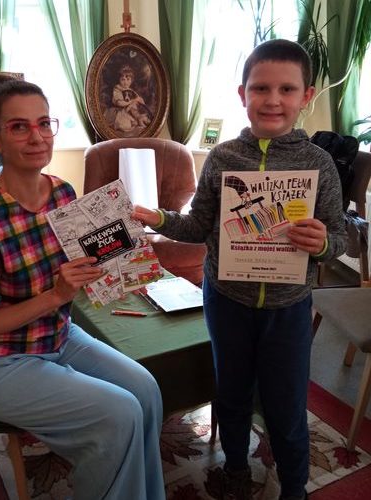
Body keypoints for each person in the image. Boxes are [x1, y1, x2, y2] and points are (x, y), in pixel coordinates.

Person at [132, 39, 347, 500]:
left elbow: (340, 238)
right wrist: (159, 219)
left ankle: (294, 486)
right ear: (242, 94)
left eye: (287, 89)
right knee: (230, 393)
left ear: (307, 96)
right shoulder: (223, 158)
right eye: (260, 88)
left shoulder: (319, 164)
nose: (273, 100)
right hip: (227, 301)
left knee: (286, 405)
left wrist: (324, 243)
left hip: (288, 308)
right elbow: (197, 226)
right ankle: (234, 469)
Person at [0, 75, 165, 500]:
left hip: (57, 334)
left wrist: (123, 259)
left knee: (145, 390)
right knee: (119, 414)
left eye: (44, 123)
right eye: (19, 127)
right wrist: (55, 295)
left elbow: (86, 265)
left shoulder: (63, 194)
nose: (37, 137)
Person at [112, 65, 151, 132]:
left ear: (131, 81)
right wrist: (132, 101)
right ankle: (132, 121)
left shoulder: (131, 91)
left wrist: (140, 100)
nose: (125, 82)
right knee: (125, 125)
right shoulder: (117, 89)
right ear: (119, 80)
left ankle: (138, 120)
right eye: (123, 79)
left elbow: (139, 99)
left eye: (128, 79)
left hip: (132, 112)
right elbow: (119, 103)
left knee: (139, 118)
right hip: (121, 111)